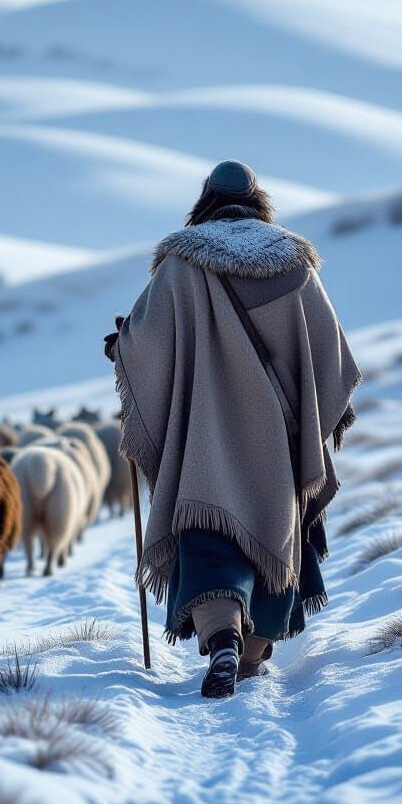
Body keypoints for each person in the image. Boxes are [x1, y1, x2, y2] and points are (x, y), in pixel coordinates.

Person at [105, 160, 360, 698]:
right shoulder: (294, 263)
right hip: (281, 440)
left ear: (204, 202)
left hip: (206, 435)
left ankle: (221, 636)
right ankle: (249, 653)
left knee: (210, 535)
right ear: (259, 199)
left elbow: (144, 342)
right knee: (275, 535)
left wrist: (121, 346)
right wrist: (314, 417)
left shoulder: (181, 263)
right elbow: (332, 354)